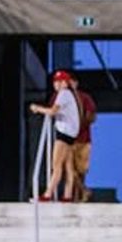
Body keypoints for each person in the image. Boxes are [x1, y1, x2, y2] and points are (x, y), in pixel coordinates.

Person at [30, 70, 79, 203]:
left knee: (56, 165)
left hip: (64, 133)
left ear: (65, 83)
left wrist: (37, 108)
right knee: (68, 166)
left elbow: (52, 111)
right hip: (71, 133)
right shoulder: (69, 95)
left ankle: (47, 194)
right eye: (55, 81)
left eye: (60, 81)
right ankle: (67, 195)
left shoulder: (63, 94)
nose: (57, 84)